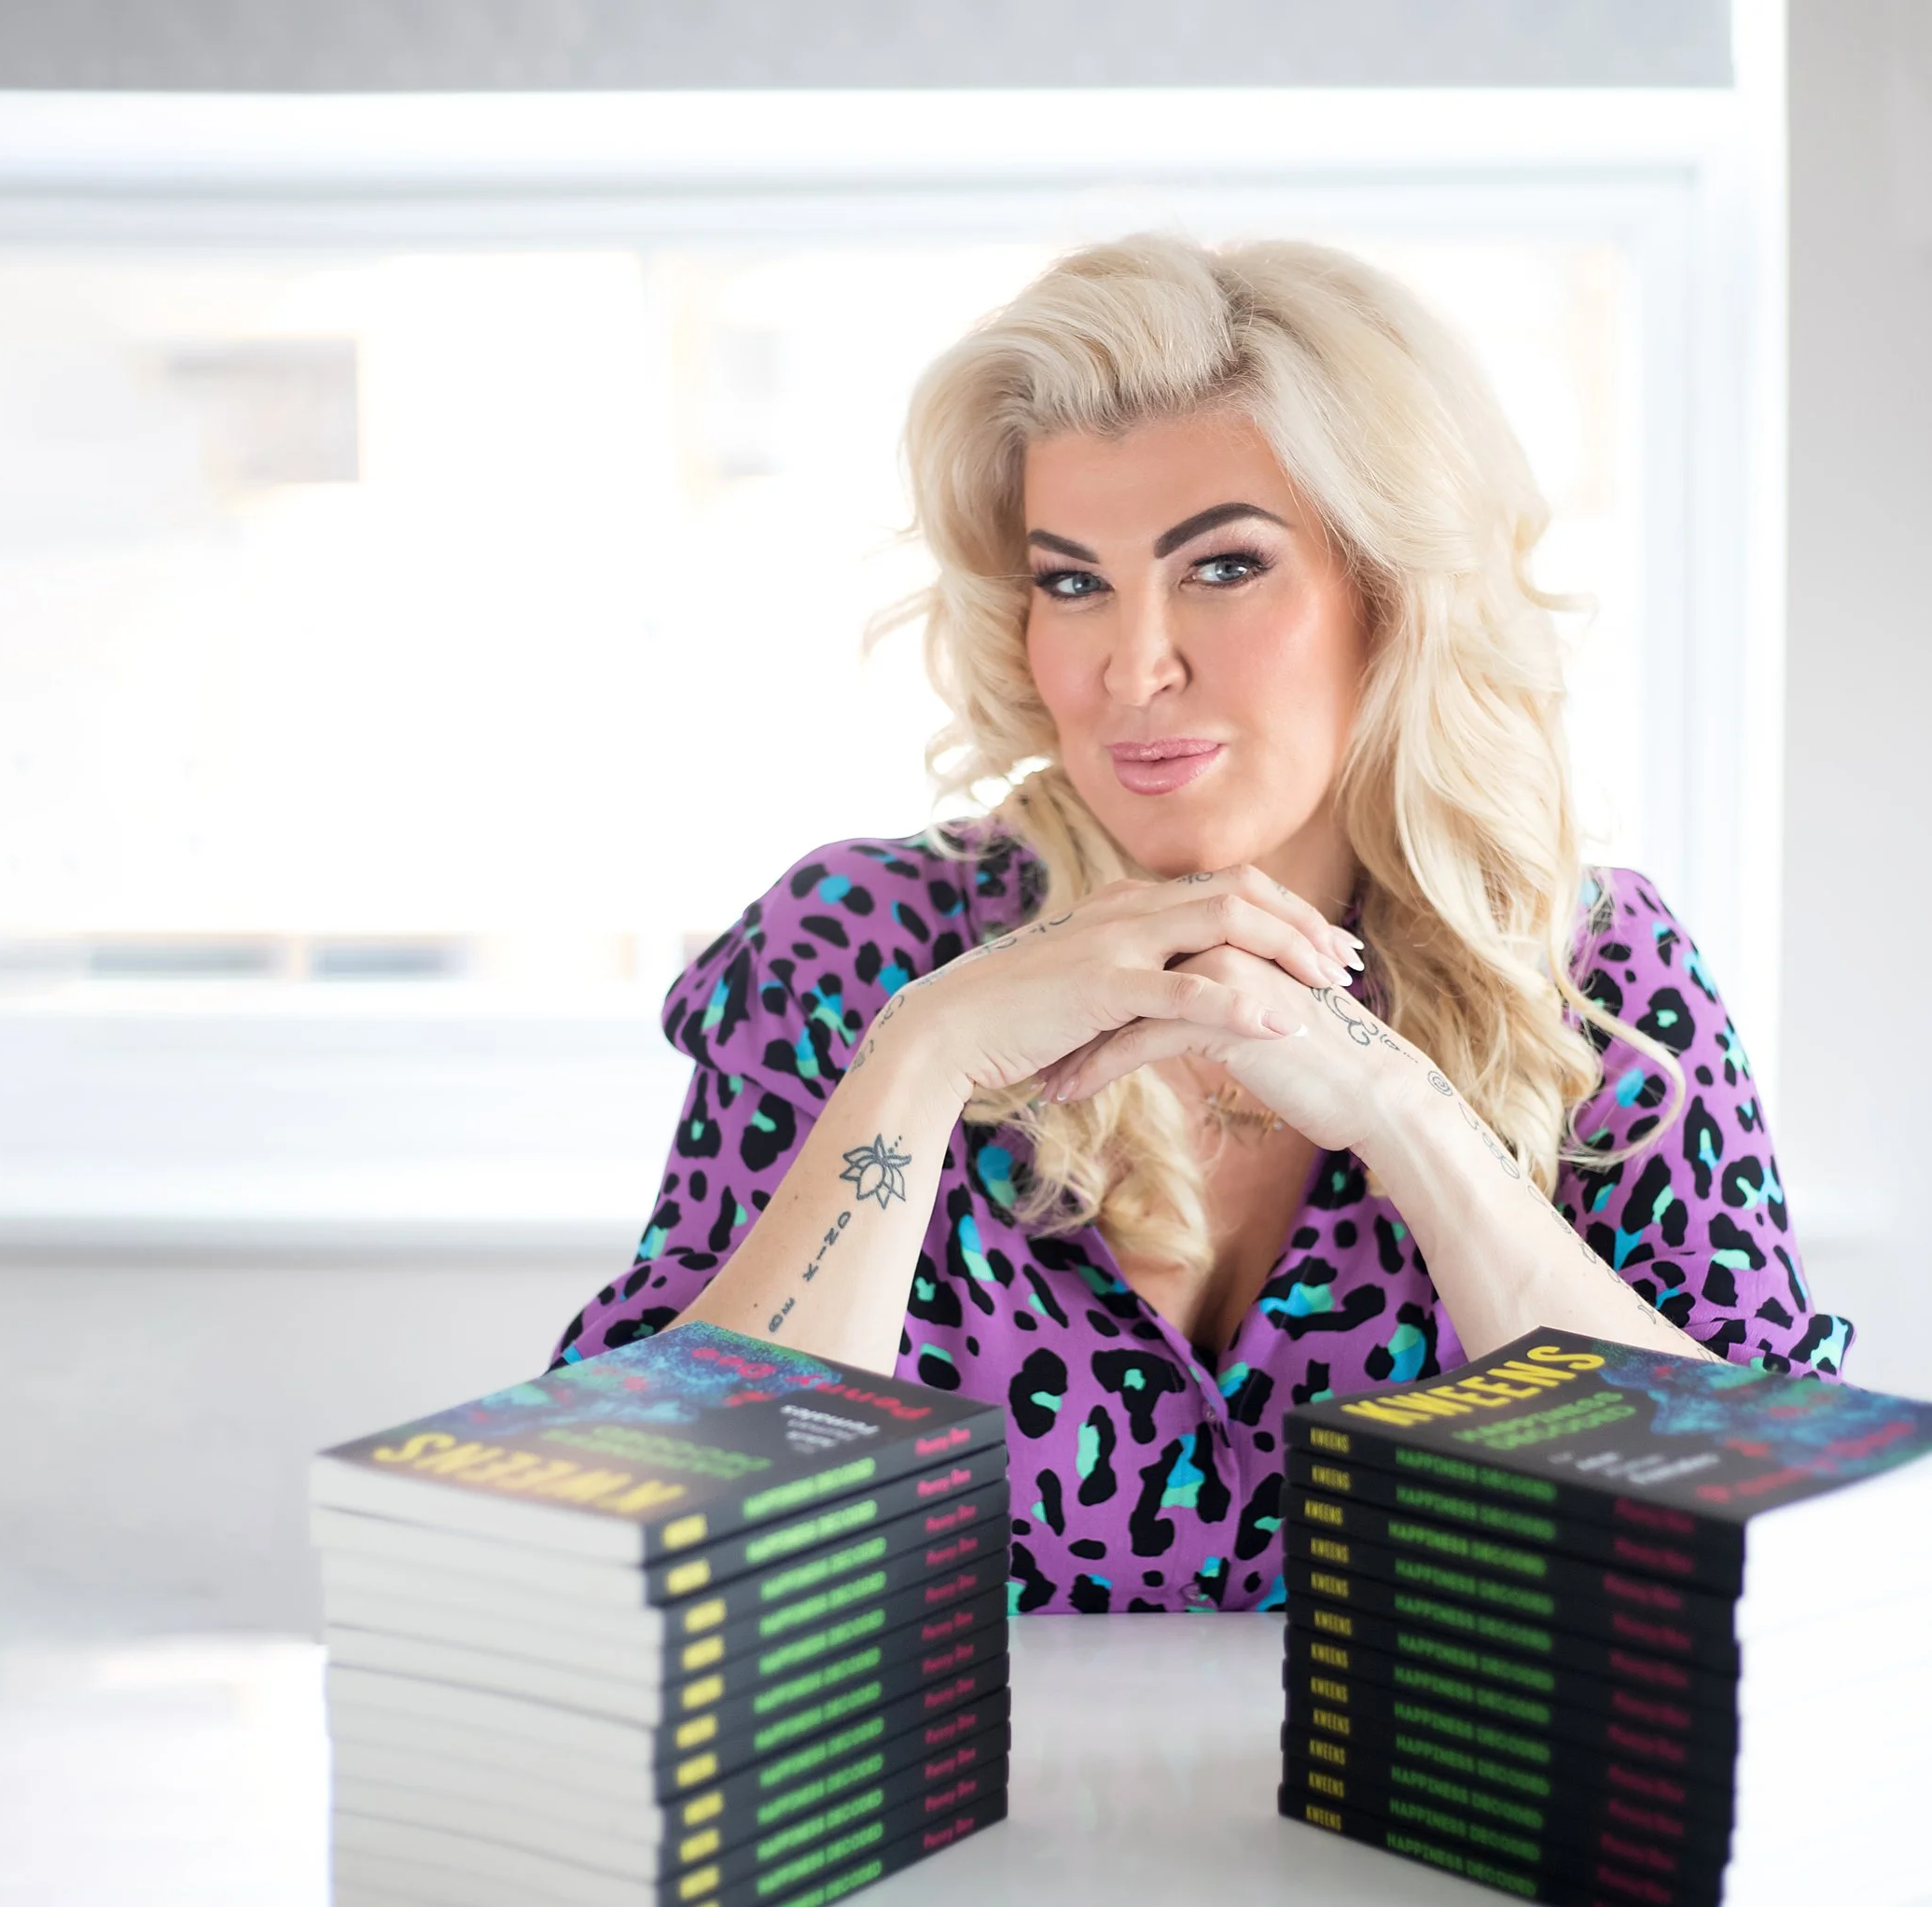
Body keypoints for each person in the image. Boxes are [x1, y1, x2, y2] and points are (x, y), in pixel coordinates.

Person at [549, 234, 1847, 1616]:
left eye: (1223, 567)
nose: (1132, 663)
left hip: (1438, 1835)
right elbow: (637, 1532)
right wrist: (920, 1065)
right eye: (1070, 581)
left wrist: (1410, 1120)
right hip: (957, 1832)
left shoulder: (1592, 978)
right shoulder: (856, 950)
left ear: (1392, 596)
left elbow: (1796, 1536)